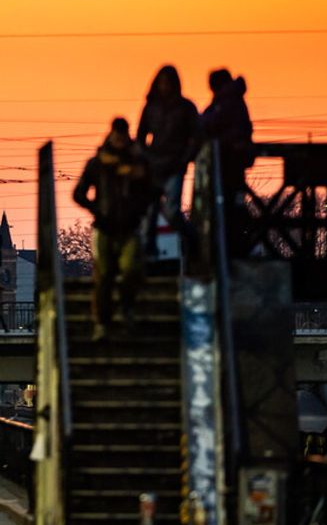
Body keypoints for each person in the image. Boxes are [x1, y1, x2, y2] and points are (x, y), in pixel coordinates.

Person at [73, 117, 157, 341]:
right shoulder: (98, 164)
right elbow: (78, 193)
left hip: (129, 227)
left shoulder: (139, 164)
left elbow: (152, 192)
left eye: (122, 136)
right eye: (117, 136)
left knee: (130, 271)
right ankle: (102, 322)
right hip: (105, 227)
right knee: (104, 277)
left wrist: (139, 208)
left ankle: (126, 310)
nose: (120, 140)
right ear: (111, 136)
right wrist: (97, 209)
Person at [135, 65, 199, 255]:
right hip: (153, 167)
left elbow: (195, 137)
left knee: (172, 212)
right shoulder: (150, 107)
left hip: (174, 165)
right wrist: (145, 158)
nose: (165, 86)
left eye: (168, 83)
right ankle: (149, 254)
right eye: (162, 83)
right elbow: (140, 136)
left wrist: (184, 159)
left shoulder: (186, 107)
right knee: (150, 213)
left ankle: (192, 241)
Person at [202, 69, 255, 241]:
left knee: (228, 203)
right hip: (233, 162)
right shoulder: (234, 101)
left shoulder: (226, 103)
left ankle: (234, 240)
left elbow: (211, 122)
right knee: (233, 202)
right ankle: (239, 238)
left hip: (229, 162)